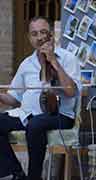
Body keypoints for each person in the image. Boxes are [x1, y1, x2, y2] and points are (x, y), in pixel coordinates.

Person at [0, 16, 81, 180]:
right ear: (30, 38)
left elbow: (71, 91)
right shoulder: (26, 64)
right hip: (27, 115)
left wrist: (54, 62)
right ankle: (15, 173)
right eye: (34, 34)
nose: (39, 37)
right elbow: (14, 98)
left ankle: (34, 177)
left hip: (60, 115)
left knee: (36, 124)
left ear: (51, 34)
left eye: (43, 32)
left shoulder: (68, 58)